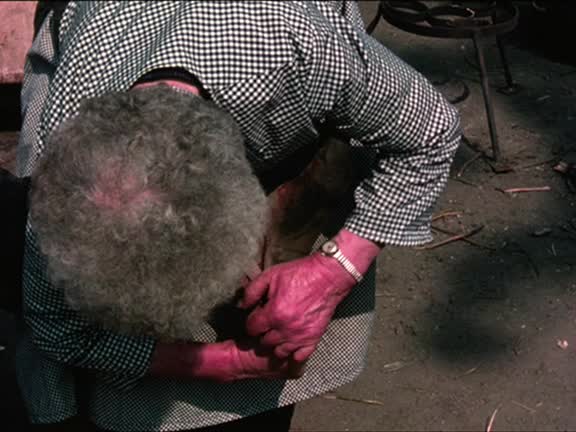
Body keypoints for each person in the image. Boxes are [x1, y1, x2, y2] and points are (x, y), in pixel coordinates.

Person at [15, 1, 461, 431]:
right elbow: (58, 329)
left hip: (271, 59)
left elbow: (432, 131)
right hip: (110, 30)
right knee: (62, 320)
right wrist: (228, 363)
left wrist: (334, 270)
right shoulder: (67, 159)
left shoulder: (301, 49)